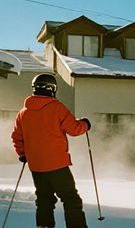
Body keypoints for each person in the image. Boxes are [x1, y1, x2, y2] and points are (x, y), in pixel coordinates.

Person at [11, 73, 91, 228]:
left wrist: (22, 154)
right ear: (52, 89)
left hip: (36, 166)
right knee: (70, 199)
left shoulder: (23, 112)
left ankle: (44, 226)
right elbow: (74, 129)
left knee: (44, 199)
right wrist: (85, 124)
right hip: (57, 164)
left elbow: (16, 137)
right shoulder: (56, 107)